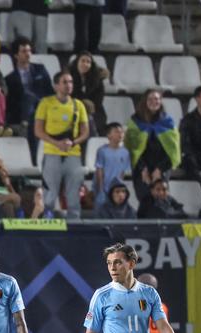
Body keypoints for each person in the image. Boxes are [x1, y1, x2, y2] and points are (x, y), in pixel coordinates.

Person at [34, 71, 90, 218]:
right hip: (52, 153)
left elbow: (85, 132)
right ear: (56, 85)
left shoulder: (79, 105)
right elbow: (38, 130)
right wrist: (56, 143)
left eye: (70, 82)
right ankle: (47, 227)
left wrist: (73, 142)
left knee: (74, 196)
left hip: (73, 155)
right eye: (64, 82)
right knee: (50, 195)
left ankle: (74, 227)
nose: (68, 85)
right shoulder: (46, 103)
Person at [125, 89, 181, 200]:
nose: (153, 101)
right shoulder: (135, 121)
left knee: (160, 196)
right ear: (144, 101)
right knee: (145, 198)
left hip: (162, 164)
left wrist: (159, 169)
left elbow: (173, 149)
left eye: (156, 99)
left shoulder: (168, 122)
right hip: (141, 165)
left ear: (160, 101)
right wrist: (143, 169)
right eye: (150, 99)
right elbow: (132, 149)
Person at [5, 36, 52, 144]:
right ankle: (26, 124)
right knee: (27, 97)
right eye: (24, 51)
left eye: (29, 50)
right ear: (16, 55)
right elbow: (11, 102)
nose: (28, 54)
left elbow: (49, 90)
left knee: (29, 96)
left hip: (42, 104)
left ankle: (25, 124)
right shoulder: (10, 78)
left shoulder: (40, 69)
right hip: (23, 110)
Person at [93, 122, 130, 214]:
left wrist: (119, 187)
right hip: (103, 187)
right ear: (109, 135)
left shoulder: (125, 152)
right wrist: (101, 189)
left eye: (122, 132)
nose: (120, 134)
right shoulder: (102, 151)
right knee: (100, 211)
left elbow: (123, 172)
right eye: (117, 132)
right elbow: (99, 170)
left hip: (115, 189)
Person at [69, 51, 107, 131]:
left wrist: (90, 106)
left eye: (88, 62)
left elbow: (99, 99)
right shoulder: (68, 77)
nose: (85, 64)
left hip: (94, 110)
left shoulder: (97, 79)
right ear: (77, 62)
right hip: (72, 108)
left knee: (96, 122)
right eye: (83, 61)